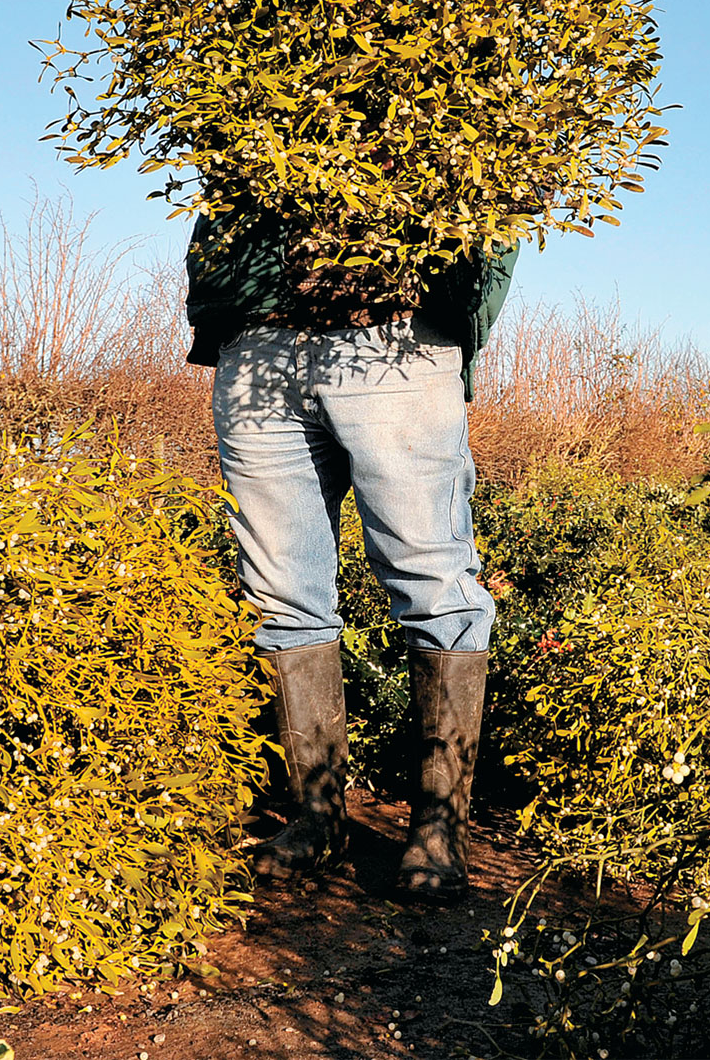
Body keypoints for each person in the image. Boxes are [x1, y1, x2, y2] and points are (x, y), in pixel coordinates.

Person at [185, 204, 518, 902]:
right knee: (280, 592)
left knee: (434, 583)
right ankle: (319, 819)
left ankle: (439, 828)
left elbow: (502, 193)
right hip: (259, 347)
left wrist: (455, 311)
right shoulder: (254, 99)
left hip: (394, 339)